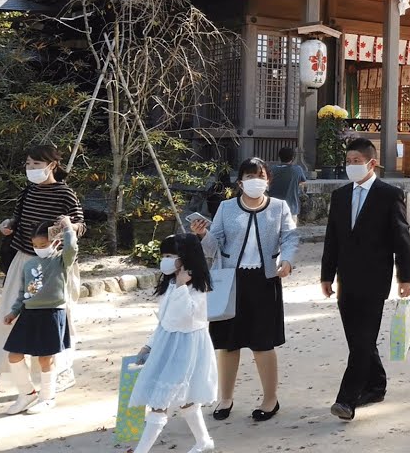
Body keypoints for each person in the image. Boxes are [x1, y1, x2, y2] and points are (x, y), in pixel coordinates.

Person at [0, 144, 85, 406]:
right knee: (6, 317)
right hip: (23, 260)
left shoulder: (65, 194)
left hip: (56, 264)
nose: (31, 169)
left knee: (59, 320)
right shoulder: (27, 192)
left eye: (36, 164)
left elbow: (80, 225)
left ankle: (62, 372)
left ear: (52, 165)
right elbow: (17, 220)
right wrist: (8, 226)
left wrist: (68, 226)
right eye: (28, 164)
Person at [192, 157, 299, 422]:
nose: (255, 181)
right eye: (249, 177)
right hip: (230, 281)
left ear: (268, 180)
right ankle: (225, 398)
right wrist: (203, 235)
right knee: (228, 344)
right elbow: (215, 246)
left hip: (264, 281)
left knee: (263, 343)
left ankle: (270, 399)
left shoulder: (279, 207)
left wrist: (286, 260)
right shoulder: (227, 208)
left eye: (260, 175)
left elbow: (290, 237)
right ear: (240, 182)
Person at [320, 137, 410, 421]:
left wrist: (405, 276)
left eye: (357, 162)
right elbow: (332, 239)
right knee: (358, 340)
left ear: (371, 163)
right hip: (346, 279)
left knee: (362, 340)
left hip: (375, 278)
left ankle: (346, 399)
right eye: (348, 162)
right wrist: (327, 274)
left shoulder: (389, 194)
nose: (351, 166)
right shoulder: (340, 196)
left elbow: (402, 238)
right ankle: (376, 384)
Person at [128, 233, 217, 453]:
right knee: (183, 399)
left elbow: (188, 317)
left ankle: (141, 451)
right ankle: (204, 441)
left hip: (186, 348)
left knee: (161, 402)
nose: (165, 260)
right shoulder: (171, 284)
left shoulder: (195, 286)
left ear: (185, 257)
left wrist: (181, 285)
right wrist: (150, 344)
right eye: (164, 255)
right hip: (168, 345)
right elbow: (165, 320)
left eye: (170, 255)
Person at [0, 216, 76, 415]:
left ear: (54, 242)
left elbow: (72, 249)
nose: (39, 248)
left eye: (43, 244)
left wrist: (68, 228)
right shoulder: (29, 264)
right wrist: (14, 311)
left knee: (45, 359)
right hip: (29, 314)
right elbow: (22, 292)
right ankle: (27, 394)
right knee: (14, 355)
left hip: (51, 314)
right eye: (35, 245)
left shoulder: (61, 260)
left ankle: (47, 397)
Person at [268, 147, 307, 222]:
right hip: (291, 207)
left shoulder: (272, 169)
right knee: (290, 232)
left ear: (279, 157)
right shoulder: (297, 169)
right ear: (293, 157)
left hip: (273, 207)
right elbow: (303, 183)